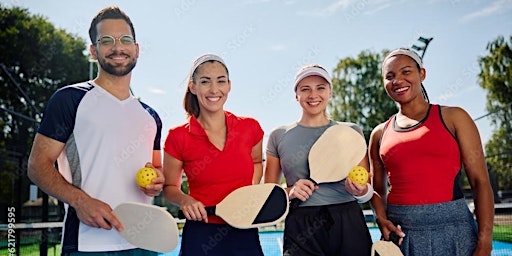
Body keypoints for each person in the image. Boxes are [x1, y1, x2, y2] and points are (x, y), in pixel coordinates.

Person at [27, 6, 164, 255]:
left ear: (136, 48)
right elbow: (37, 166)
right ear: (94, 51)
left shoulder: (151, 116)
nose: (118, 47)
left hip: (144, 243)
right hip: (88, 244)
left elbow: (156, 171)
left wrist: (156, 183)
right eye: (106, 41)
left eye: (125, 40)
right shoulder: (69, 100)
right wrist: (81, 201)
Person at [369, 48, 494, 256]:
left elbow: (480, 182)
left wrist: (485, 243)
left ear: (422, 74)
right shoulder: (379, 134)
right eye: (389, 76)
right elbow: (377, 191)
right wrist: (381, 218)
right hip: (401, 236)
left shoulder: (455, 117)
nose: (397, 80)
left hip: (455, 232)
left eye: (406, 71)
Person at [264, 64, 374, 256]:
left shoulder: (351, 132)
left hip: (347, 220)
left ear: (330, 92)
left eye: (320, 88)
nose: (313, 95)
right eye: (305, 89)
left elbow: (367, 190)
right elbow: (268, 194)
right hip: (300, 225)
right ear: (296, 95)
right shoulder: (278, 135)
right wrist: (290, 191)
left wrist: (360, 190)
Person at [162, 53, 265, 255]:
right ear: (193, 87)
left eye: (220, 81)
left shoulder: (250, 128)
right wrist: (185, 200)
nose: (214, 89)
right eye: (205, 82)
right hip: (200, 235)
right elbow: (168, 187)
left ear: (229, 86)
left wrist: (245, 197)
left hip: (244, 230)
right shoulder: (178, 136)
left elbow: (256, 163)